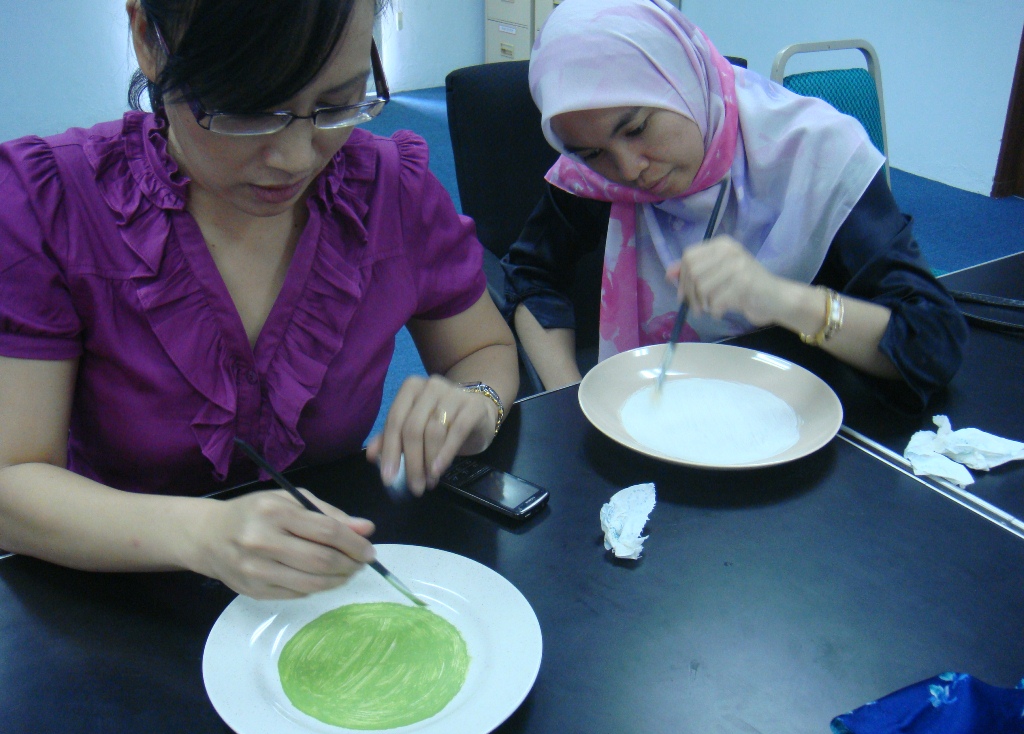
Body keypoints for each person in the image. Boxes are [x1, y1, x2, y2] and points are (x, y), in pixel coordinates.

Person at [0, 0, 518, 599]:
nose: (295, 159)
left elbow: (482, 350)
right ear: (148, 38)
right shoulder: (50, 206)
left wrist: (475, 403)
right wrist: (203, 534)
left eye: (336, 104)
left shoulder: (390, 189)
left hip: (322, 594)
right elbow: (12, 484)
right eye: (248, 111)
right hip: (119, 599)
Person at [502, 0, 966, 410]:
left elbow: (932, 342)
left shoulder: (816, 155)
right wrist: (571, 396)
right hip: (655, 420)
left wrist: (780, 298)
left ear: (680, 80)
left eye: (638, 128)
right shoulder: (594, 176)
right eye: (592, 153)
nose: (628, 169)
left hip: (794, 415)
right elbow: (532, 276)